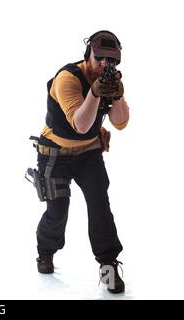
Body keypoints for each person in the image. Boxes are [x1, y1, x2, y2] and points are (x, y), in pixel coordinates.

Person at [26, 30, 129, 294]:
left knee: (100, 207)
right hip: (55, 156)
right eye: (99, 58)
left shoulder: (110, 79)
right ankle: (45, 252)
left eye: (111, 60)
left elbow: (121, 123)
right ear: (88, 55)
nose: (105, 65)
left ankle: (108, 264)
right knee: (57, 211)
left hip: (89, 155)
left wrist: (115, 94)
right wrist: (95, 93)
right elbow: (80, 125)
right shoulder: (67, 79)